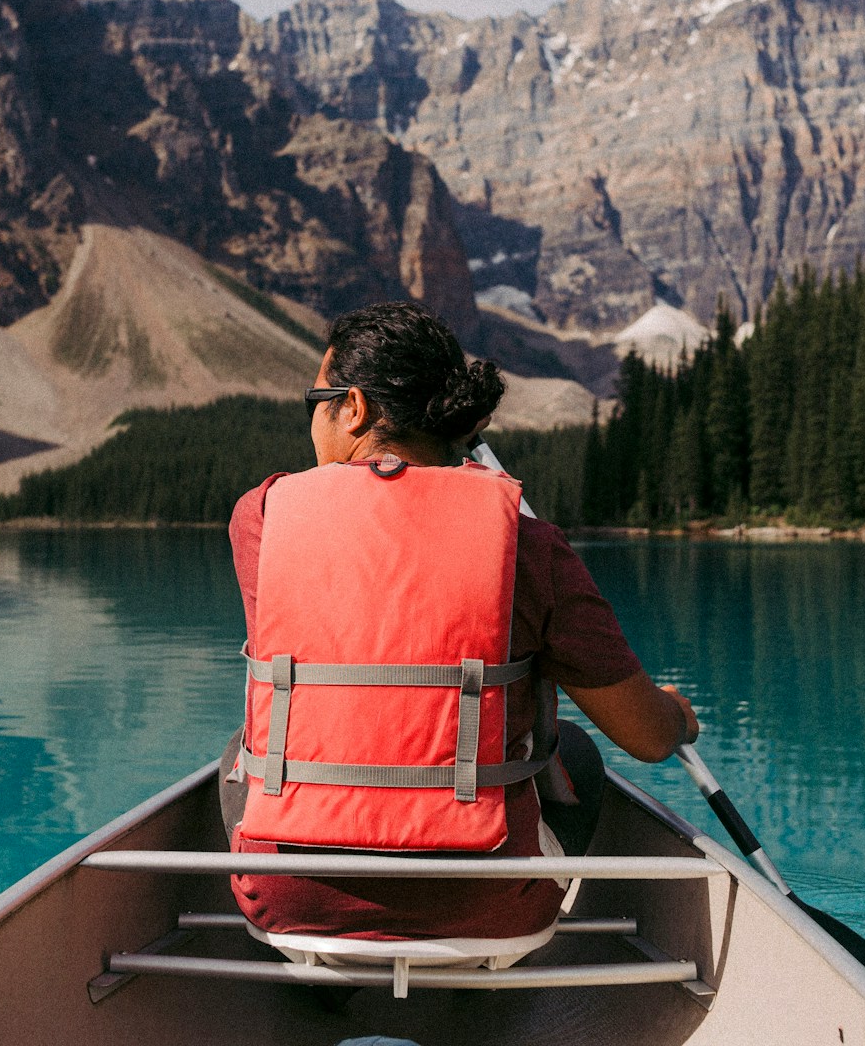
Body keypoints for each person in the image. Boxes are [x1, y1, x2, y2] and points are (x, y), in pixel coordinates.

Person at [219, 301, 698, 944]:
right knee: (575, 753)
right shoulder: (531, 545)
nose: (310, 420)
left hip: (290, 905)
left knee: (238, 755)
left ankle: (321, 986)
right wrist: (676, 717)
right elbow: (645, 737)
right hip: (491, 910)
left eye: (316, 399)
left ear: (353, 407)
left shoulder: (260, 521)